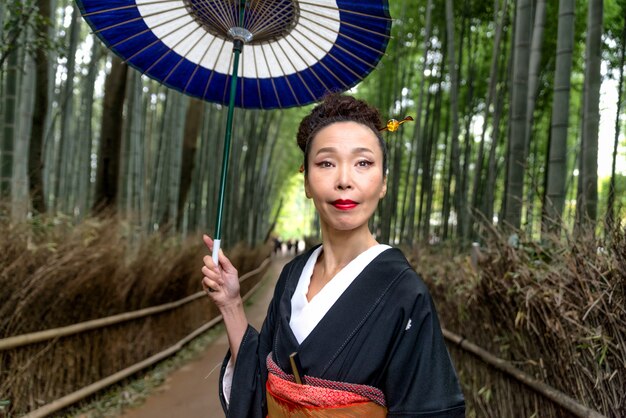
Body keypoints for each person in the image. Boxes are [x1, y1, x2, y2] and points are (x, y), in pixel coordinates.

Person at [201, 94, 465, 417]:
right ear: (307, 182)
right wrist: (231, 303)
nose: (344, 180)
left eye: (363, 163)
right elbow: (256, 385)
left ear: (383, 182)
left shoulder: (406, 296)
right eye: (326, 163)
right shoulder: (293, 276)